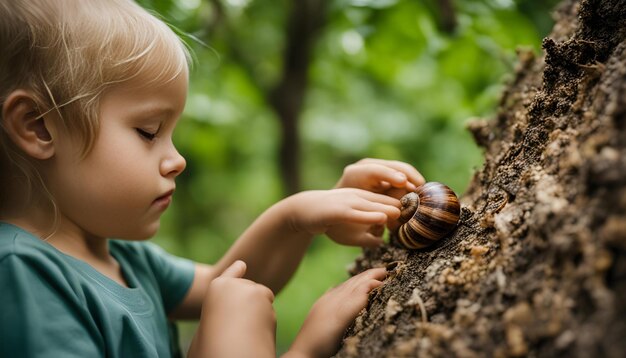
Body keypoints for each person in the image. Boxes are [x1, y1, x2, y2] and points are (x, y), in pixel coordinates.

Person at [0, 0, 425, 357]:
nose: (177, 160)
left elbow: (218, 284)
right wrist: (305, 350)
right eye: (148, 131)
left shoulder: (119, 253)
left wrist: (296, 217)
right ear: (38, 126)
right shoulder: (22, 276)